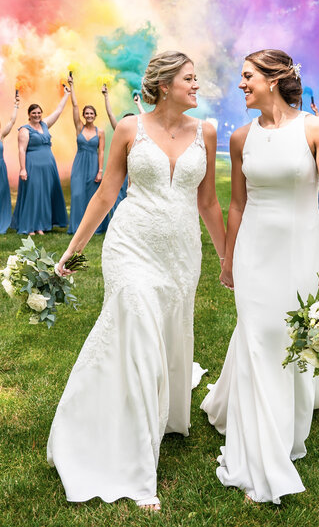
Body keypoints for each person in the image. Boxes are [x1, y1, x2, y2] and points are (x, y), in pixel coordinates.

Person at [47, 51, 226, 510]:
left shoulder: (206, 131)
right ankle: (138, 468)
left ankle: (155, 412)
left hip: (181, 253)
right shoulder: (129, 128)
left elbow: (208, 204)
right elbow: (107, 193)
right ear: (165, 84)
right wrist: (73, 249)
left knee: (163, 336)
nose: (196, 85)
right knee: (140, 328)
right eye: (190, 78)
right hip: (130, 246)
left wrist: (226, 258)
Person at [201, 49, 319, 504]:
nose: (241, 85)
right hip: (253, 253)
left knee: (290, 336)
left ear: (274, 78)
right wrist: (227, 258)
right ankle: (262, 452)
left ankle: (294, 407)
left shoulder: (314, 129)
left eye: (247, 77)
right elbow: (238, 204)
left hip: (301, 249)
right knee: (260, 336)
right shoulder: (241, 137)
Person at [11, 88, 70, 235]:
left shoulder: (45, 125)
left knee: (45, 194)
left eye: (39, 113)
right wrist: (23, 169)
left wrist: (66, 95)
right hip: (32, 165)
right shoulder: (25, 130)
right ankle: (30, 226)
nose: (37, 115)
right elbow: (21, 150)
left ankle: (41, 225)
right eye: (34, 113)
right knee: (33, 194)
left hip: (49, 165)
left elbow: (58, 111)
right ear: (29, 115)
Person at [67, 75, 108, 234]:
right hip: (79, 164)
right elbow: (75, 106)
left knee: (92, 197)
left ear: (95, 116)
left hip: (93, 165)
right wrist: (72, 86)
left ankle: (94, 227)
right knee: (77, 195)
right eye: (87, 113)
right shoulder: (79, 128)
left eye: (92, 113)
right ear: (84, 116)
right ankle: (77, 227)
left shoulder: (101, 132)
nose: (89, 115)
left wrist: (100, 170)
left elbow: (101, 151)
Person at [102, 86, 145, 215]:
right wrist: (106, 97)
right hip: (122, 171)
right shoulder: (121, 133)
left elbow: (145, 118)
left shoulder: (141, 134)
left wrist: (138, 104)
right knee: (119, 197)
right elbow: (110, 115)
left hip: (136, 171)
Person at [0, 91, 20, 234]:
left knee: (1, 194)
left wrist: (16, 106)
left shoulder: (0, 135)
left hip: (1, 168)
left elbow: (12, 122)